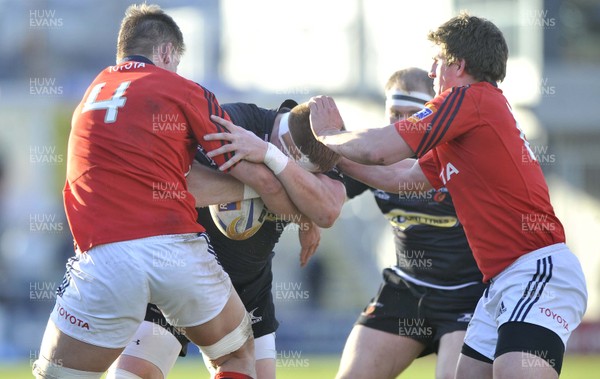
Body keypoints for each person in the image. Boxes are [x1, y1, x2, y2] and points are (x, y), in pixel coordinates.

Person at [230, 13, 587, 379]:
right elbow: (402, 176)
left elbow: (379, 151)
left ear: (458, 64)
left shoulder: (469, 98)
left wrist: (326, 134)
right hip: (498, 282)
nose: (432, 72)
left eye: (438, 61)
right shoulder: (469, 120)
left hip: (534, 269)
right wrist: (332, 154)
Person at [32, 5, 306, 379]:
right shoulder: (182, 90)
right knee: (237, 356)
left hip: (103, 257)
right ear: (165, 53)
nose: (177, 71)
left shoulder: (89, 96)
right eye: (176, 62)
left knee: (55, 373)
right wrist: (296, 205)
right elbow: (253, 174)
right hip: (175, 249)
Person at [108, 100, 347, 379]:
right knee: (133, 375)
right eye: (296, 167)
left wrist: (274, 163)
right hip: (182, 273)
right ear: (285, 142)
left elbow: (327, 210)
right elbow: (176, 186)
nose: (296, 177)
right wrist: (268, 186)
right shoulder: (228, 121)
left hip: (248, 285)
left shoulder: (328, 145)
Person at [335, 67, 485, 379]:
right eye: (394, 115)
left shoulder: (462, 156)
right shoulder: (374, 155)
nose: (402, 125)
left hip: (467, 296)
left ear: (433, 115)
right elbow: (326, 197)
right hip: (407, 290)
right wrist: (307, 222)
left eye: (412, 115)